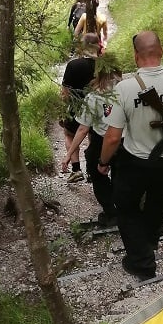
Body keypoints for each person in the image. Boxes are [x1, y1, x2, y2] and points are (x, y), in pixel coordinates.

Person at [98, 30, 163, 278]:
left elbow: (113, 137)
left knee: (126, 207)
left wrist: (103, 162)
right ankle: (149, 242)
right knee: (157, 201)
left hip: (134, 161)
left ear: (136, 57)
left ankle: (142, 262)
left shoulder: (124, 88)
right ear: (161, 51)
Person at [62, 62, 122, 223]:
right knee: (121, 173)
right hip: (125, 140)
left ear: (98, 75)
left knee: (96, 172)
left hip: (101, 140)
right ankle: (124, 208)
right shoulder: (126, 91)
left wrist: (69, 154)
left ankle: (110, 211)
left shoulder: (94, 96)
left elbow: (83, 129)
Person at [60, 33, 100, 182]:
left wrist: (62, 111)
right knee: (93, 135)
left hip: (76, 107)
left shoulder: (73, 65)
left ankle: (76, 169)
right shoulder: (104, 65)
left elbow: (65, 93)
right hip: (99, 108)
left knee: (69, 134)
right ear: (98, 45)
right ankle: (92, 171)